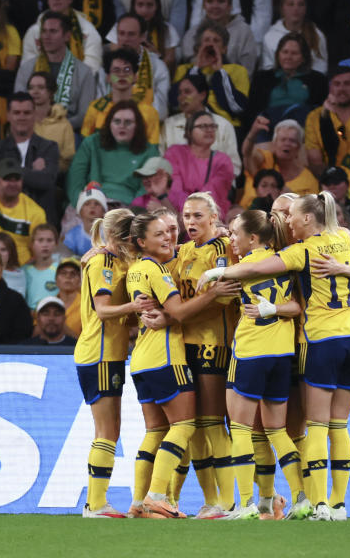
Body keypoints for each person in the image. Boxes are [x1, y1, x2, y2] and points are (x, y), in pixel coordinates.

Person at [198, 192, 350, 521]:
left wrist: (218, 272)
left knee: (300, 427)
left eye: (289, 213)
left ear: (307, 218)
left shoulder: (297, 252)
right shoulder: (341, 237)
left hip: (311, 342)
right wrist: (344, 267)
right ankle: (331, 503)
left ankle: (302, 503)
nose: (286, 220)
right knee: (329, 426)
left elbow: (260, 266)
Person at [124, 212, 239, 519]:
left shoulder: (134, 270)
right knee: (186, 425)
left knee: (155, 431)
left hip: (140, 360)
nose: (169, 237)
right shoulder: (157, 270)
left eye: (169, 231)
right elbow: (179, 311)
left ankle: (138, 502)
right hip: (166, 357)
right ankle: (158, 495)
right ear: (141, 241)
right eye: (160, 233)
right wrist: (213, 292)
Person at [222, 210, 311, 520]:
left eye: (235, 234)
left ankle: (245, 503)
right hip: (282, 354)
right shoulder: (285, 262)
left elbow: (219, 287)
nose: (231, 239)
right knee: (277, 430)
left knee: (241, 428)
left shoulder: (245, 266)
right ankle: (302, 497)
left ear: (253, 238)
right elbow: (298, 306)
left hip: (252, 352)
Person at [74, 208, 148, 516]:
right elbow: (103, 310)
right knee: (107, 431)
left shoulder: (115, 260)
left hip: (109, 354)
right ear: (125, 238)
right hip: (99, 353)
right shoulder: (102, 262)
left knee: (109, 430)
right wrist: (135, 305)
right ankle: (95, 503)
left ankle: (97, 502)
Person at [172, 192, 239, 517]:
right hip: (184, 344)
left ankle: (227, 501)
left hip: (214, 343)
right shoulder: (183, 250)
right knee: (194, 425)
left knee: (213, 422)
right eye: (186, 216)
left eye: (198, 216)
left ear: (214, 218)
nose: (190, 222)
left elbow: (226, 297)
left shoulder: (223, 249)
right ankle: (210, 500)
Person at [0, 92, 61, 224]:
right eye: (16, 112)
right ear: (8, 115)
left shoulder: (49, 147)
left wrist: (7, 175)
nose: (21, 117)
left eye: (26, 113)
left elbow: (46, 181)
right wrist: (32, 172)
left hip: (40, 220)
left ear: (34, 114)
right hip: (4, 217)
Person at [14, 11, 97, 130]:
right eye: (44, 31)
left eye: (53, 31)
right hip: (32, 129)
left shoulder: (84, 72)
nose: (47, 36)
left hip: (67, 131)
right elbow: (18, 105)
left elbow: (84, 115)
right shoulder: (26, 69)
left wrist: (56, 128)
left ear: (67, 36)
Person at [68, 100, 159, 208]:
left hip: (128, 207)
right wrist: (79, 204)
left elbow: (147, 190)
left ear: (137, 126)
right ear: (109, 123)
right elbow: (75, 179)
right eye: (117, 121)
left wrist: (134, 212)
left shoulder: (150, 151)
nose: (122, 126)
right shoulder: (92, 143)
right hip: (91, 202)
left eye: (128, 122)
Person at [245, 33, 328, 136]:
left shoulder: (318, 80)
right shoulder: (262, 78)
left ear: (303, 57)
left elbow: (321, 112)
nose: (288, 57)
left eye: (294, 53)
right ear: (278, 54)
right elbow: (251, 111)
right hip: (268, 129)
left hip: (304, 130)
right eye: (285, 52)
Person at [172, 23, 249, 129]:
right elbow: (175, 103)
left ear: (224, 49)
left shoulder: (237, 70)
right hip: (188, 123)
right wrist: (196, 69)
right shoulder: (184, 70)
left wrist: (219, 72)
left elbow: (236, 107)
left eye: (216, 41)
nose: (211, 45)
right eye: (207, 40)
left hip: (223, 126)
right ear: (198, 47)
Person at [161, 73, 240, 176]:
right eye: (180, 93)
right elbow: (162, 162)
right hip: (176, 185)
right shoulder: (169, 124)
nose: (181, 97)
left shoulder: (223, 125)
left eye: (187, 92)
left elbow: (234, 166)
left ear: (202, 95)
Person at [80, 44, 161, 143]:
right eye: (116, 70)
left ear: (135, 77)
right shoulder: (96, 108)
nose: (122, 75)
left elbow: (153, 150)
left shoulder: (149, 112)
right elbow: (86, 144)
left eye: (127, 70)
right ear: (108, 77)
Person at [21, 0, 104, 73]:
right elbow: (26, 67)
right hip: (41, 84)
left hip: (80, 83)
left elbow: (92, 65)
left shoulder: (87, 30)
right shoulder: (34, 31)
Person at [180, 0, 257, 73]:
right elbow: (189, 68)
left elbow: (247, 70)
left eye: (221, 1)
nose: (215, 6)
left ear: (230, 6)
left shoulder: (244, 32)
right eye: (210, 1)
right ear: (204, 5)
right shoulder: (192, 33)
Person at [241, 119, 319, 208]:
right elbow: (247, 153)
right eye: (282, 139)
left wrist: (291, 197)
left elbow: (311, 212)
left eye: (292, 141)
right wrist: (253, 133)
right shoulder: (263, 160)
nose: (287, 144)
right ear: (274, 144)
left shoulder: (309, 182)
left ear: (298, 147)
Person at [261, 0, 328, 75]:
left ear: (305, 9)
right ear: (282, 8)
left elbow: (321, 66)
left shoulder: (317, 35)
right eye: (291, 4)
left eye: (301, 4)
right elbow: (267, 67)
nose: (296, 8)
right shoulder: (270, 37)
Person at [29, 72, 76, 172]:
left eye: (41, 87)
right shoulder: (22, 120)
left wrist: (47, 167)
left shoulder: (64, 124)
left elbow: (68, 162)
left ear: (51, 92)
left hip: (53, 179)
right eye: (31, 88)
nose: (35, 92)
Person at [22, 224, 60, 309]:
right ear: (32, 244)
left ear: (56, 244)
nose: (45, 245)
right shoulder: (24, 271)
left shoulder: (61, 270)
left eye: (49, 240)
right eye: (40, 240)